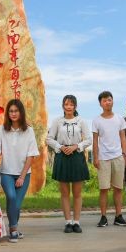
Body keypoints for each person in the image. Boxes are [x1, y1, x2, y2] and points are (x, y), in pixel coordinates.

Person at [0, 99, 39, 243]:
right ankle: (13, 230)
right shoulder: (2, 129)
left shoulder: (29, 131)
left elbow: (31, 155)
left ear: (21, 112)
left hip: (24, 173)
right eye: (11, 111)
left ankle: (14, 227)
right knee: (11, 197)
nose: (13, 114)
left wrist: (22, 177)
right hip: (6, 172)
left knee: (16, 204)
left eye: (16, 111)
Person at [46, 95, 91, 233]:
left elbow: (89, 139)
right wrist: (60, 147)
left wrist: (76, 146)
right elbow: (49, 139)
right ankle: (67, 222)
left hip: (77, 156)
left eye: (71, 104)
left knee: (77, 193)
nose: (69, 107)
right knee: (65, 193)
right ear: (63, 106)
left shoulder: (81, 121)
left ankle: (76, 222)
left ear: (75, 106)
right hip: (62, 156)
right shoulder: (57, 121)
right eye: (66, 104)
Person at [92, 90, 126, 228]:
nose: (107, 102)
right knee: (104, 189)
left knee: (118, 188)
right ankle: (103, 217)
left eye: (109, 100)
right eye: (104, 100)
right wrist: (95, 158)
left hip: (118, 157)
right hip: (103, 159)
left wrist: (124, 154)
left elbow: (123, 137)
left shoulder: (119, 118)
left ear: (112, 101)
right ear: (100, 104)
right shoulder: (96, 120)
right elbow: (95, 141)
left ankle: (119, 216)